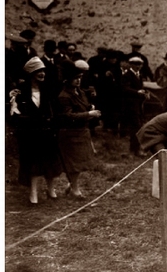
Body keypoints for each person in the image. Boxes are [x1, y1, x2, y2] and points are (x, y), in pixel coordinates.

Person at [9, 57, 62, 204]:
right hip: (30, 134)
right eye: (39, 71)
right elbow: (15, 115)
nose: (42, 74)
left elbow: (54, 110)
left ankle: (51, 190)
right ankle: (33, 193)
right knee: (32, 163)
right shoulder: (20, 92)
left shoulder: (48, 90)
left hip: (47, 131)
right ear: (31, 73)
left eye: (43, 71)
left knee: (50, 161)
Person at [55, 62, 102, 199]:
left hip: (82, 131)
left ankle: (72, 185)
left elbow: (83, 105)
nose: (78, 80)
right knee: (74, 164)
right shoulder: (64, 96)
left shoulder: (80, 92)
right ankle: (75, 189)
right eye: (75, 78)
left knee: (80, 161)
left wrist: (90, 107)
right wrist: (89, 114)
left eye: (80, 77)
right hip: (70, 133)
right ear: (67, 79)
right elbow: (68, 116)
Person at [120, 56, 149, 155]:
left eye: (140, 64)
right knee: (136, 127)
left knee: (137, 127)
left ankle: (134, 148)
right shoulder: (127, 75)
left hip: (138, 105)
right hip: (130, 105)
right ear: (131, 65)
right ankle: (136, 149)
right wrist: (137, 92)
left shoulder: (139, 75)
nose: (138, 66)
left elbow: (140, 88)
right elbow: (125, 89)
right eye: (136, 64)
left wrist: (145, 93)